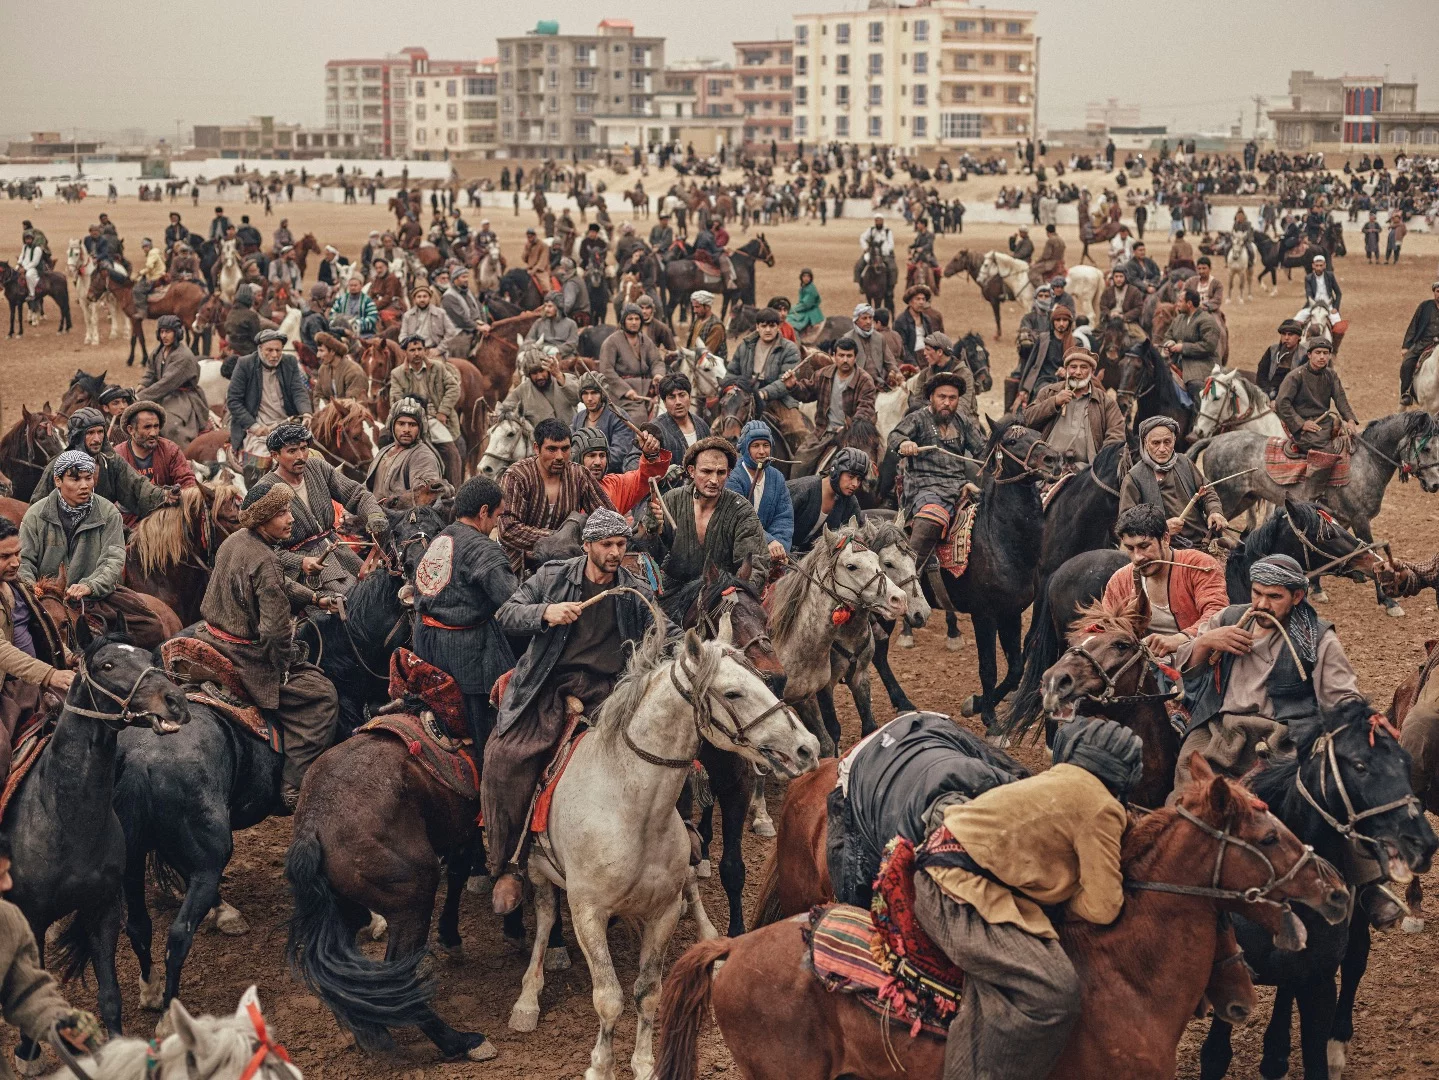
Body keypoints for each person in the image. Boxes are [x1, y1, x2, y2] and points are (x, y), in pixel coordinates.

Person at [913, 717, 1140, 1080]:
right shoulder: (1102, 807)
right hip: (955, 890)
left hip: (946, 871)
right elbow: (1104, 906)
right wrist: (1068, 897)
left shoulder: (1059, 777)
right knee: (1053, 991)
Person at [484, 509, 654, 913]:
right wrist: (545, 613)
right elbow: (506, 612)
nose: (616, 553)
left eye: (622, 544)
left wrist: (695, 652)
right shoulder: (553, 577)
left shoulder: (633, 589)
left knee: (662, 747)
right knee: (503, 758)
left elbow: (661, 629)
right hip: (549, 685)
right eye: (608, 545)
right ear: (588, 546)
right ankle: (508, 864)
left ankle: (674, 840)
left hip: (611, 692)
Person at [198, 479, 340, 810]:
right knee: (322, 696)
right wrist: (287, 663)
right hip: (245, 656)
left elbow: (277, 582)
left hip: (210, 638)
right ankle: (294, 785)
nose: (290, 518)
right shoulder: (264, 558)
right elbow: (274, 634)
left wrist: (315, 598)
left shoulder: (235, 541)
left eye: (289, 510)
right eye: (282, 512)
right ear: (263, 519)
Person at [1176, 552, 1361, 793]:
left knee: (1284, 801)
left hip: (1283, 736)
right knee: (1190, 785)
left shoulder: (1317, 638)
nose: (1262, 604)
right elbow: (1187, 669)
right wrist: (1207, 642)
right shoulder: (1228, 619)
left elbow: (1344, 697)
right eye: (1257, 593)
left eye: (1274, 596)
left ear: (1297, 596)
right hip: (1220, 731)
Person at [412, 475, 518, 753]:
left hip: (424, 643)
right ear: (483, 512)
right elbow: (514, 605)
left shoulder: (441, 537)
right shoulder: (486, 551)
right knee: (495, 728)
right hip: (464, 654)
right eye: (497, 516)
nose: (496, 523)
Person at [0, 831, 107, 1070]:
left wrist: (61, 1024)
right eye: (1, 876)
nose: (8, 884)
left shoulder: (8, 920)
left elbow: (25, 992)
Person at [264, 422, 390, 597]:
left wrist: (374, 514)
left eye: (304, 448)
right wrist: (300, 562)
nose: (301, 456)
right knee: (351, 600)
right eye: (292, 451)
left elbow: (356, 494)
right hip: (304, 570)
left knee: (381, 588)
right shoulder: (266, 489)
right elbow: (264, 549)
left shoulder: (318, 468)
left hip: (338, 550)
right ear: (275, 455)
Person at [886, 372, 986, 571]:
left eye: (952, 398)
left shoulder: (962, 421)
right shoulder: (918, 418)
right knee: (933, 517)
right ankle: (908, 576)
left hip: (959, 486)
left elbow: (983, 450)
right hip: (924, 487)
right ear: (931, 397)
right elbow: (895, 436)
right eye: (942, 397)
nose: (947, 402)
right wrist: (905, 443)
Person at [1102, 503, 1228, 659]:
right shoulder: (1120, 580)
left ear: (1165, 539)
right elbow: (1105, 628)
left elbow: (1217, 612)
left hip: (1197, 663)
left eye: (1144, 546)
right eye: (1130, 548)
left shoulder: (1198, 565)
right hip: (1144, 670)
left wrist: (1181, 638)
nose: (1137, 557)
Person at [0, 517, 70, 776]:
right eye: (5, 556)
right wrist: (50, 673)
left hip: (21, 682)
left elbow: (39, 629)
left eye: (18, 553)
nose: (16, 562)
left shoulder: (17, 587)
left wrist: (69, 657)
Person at [498, 417, 614, 573]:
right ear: (537, 448)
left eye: (565, 449)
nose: (560, 456)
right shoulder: (517, 476)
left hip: (566, 563)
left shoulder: (578, 474)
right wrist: (558, 538)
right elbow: (507, 530)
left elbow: (608, 517)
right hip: (520, 564)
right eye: (552, 449)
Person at [658, 437, 770, 587]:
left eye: (721, 472)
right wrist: (649, 531)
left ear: (729, 473)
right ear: (691, 471)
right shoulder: (671, 501)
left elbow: (755, 565)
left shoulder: (742, 511)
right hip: (673, 593)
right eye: (707, 471)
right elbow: (649, 553)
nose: (714, 480)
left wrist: (737, 593)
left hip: (721, 597)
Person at [30, 409, 172, 521]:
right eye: (90, 433)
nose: (97, 439)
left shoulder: (111, 462)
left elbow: (138, 488)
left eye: (100, 432)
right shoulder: (58, 466)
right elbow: (37, 509)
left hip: (104, 533)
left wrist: (164, 496)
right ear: (78, 436)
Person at [1118, 417, 1227, 547]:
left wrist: (1215, 511)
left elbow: (1207, 491)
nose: (1162, 449)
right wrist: (1162, 528)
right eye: (1156, 443)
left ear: (1174, 441)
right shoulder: (1134, 478)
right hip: (1165, 550)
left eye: (1167, 442)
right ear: (1145, 443)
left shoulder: (1184, 462)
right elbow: (1126, 525)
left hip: (1203, 541)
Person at [783, 337, 877, 476]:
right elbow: (806, 393)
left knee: (877, 466)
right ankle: (796, 495)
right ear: (834, 356)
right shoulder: (823, 374)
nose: (845, 360)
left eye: (849, 356)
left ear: (855, 357)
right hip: (823, 432)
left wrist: (850, 427)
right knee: (800, 465)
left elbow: (865, 409)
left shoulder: (865, 380)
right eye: (841, 355)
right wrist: (793, 386)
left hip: (854, 435)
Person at [1020, 348, 1125, 467]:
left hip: (1086, 472)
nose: (1078, 372)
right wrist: (1054, 402)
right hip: (1047, 468)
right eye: (1073, 367)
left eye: (1084, 367)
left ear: (1092, 371)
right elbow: (1026, 420)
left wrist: (1099, 464)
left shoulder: (1106, 402)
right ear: (1066, 370)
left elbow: (1116, 437)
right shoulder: (1049, 392)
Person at [227, 330, 312, 475]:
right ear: (260, 349)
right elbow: (234, 401)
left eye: (278, 350)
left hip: (289, 423)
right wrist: (254, 426)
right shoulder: (245, 364)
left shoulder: (289, 362)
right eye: (269, 350)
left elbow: (298, 390)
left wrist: (306, 413)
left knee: (314, 456)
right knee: (259, 466)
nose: (274, 355)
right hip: (259, 428)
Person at [726, 307, 807, 445]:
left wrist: (763, 393)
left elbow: (785, 382)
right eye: (763, 326)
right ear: (757, 327)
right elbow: (732, 373)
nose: (768, 330)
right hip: (745, 395)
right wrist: (732, 389)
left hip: (780, 398)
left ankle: (800, 466)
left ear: (778, 326)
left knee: (797, 431)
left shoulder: (789, 349)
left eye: (772, 325)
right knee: (718, 426)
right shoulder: (745, 346)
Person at [111, 402, 197, 528]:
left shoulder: (170, 450)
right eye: (147, 427)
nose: (153, 433)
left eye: (156, 426)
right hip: (130, 525)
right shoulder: (117, 456)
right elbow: (108, 499)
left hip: (168, 520)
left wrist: (177, 496)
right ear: (131, 430)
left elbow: (188, 482)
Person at [725, 420, 795, 564]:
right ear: (745, 448)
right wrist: (768, 541)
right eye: (755, 446)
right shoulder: (732, 477)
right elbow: (739, 519)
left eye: (766, 445)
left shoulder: (776, 477)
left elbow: (784, 518)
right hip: (735, 551)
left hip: (770, 553)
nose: (762, 451)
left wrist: (779, 546)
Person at [136, 315, 210, 446]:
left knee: (170, 426)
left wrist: (139, 398)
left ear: (177, 333)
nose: (164, 335)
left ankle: (182, 458)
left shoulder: (183, 356)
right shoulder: (158, 351)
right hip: (162, 394)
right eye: (162, 331)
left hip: (183, 398)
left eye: (168, 332)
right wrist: (142, 384)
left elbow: (166, 383)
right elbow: (150, 372)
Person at [786, 448, 870, 556]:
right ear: (836, 472)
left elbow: (859, 533)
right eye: (851, 476)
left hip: (811, 562)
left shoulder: (850, 503)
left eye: (859, 479)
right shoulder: (803, 490)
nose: (855, 483)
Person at [573, 425, 670, 515]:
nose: (598, 462)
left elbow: (645, 478)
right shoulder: (564, 489)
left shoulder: (615, 485)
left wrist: (651, 454)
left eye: (602, 455)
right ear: (577, 458)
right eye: (592, 455)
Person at [365, 397, 445, 502]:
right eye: (401, 423)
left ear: (420, 428)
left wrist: (390, 505)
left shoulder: (422, 456)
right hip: (373, 515)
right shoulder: (383, 451)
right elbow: (367, 489)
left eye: (412, 424)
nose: (406, 430)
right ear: (392, 425)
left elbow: (425, 497)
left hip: (402, 517)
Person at [597, 304, 663, 425]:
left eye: (637, 319)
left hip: (647, 389)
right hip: (621, 393)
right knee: (638, 415)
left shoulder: (645, 340)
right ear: (624, 321)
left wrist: (658, 374)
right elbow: (606, 370)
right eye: (630, 319)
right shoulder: (612, 342)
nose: (634, 322)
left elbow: (656, 361)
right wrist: (626, 390)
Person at [570, 371, 635, 474]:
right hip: (582, 475)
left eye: (594, 393)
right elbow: (572, 448)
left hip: (611, 476)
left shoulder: (617, 417)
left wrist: (590, 463)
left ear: (603, 394)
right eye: (585, 393)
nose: (589, 398)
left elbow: (619, 453)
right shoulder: (578, 418)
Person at [1163, 288, 1224, 394]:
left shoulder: (1207, 320)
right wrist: (1169, 343)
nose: (1177, 304)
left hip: (1202, 364)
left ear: (1189, 303)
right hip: (1177, 361)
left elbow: (1208, 346)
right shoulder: (1179, 318)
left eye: (1180, 301)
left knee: (1194, 385)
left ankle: (1198, 410)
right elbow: (1168, 335)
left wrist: (1183, 347)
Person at [1013, 305, 1076, 408]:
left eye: (1065, 320)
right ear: (1053, 322)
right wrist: (1024, 388)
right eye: (1058, 320)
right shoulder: (1044, 339)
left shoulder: (1075, 343)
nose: (1061, 323)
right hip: (1043, 380)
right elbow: (1032, 363)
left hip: (1066, 382)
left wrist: (1067, 372)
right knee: (1045, 394)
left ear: (1069, 323)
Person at [645, 373, 711, 467]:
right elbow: (632, 461)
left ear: (690, 397)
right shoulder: (654, 429)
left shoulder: (702, 425)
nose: (678, 402)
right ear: (664, 402)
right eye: (672, 397)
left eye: (682, 395)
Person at [504, 347, 580, 428]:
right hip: (542, 439)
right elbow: (505, 409)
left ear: (548, 369)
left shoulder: (564, 379)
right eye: (534, 373)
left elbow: (577, 397)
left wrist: (559, 376)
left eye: (542, 371)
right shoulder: (522, 391)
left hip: (572, 435)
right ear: (528, 375)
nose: (539, 377)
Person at [908, 332, 977, 417]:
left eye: (928, 349)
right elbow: (917, 402)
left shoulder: (964, 373)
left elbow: (963, 407)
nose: (924, 353)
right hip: (928, 419)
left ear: (940, 352)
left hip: (961, 421)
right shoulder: (924, 374)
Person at [1400, 280, 1439, 406]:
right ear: (1434, 292)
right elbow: (1414, 325)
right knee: (1407, 363)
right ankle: (1406, 392)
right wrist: (1406, 346)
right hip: (1424, 343)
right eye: (1438, 291)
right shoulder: (1425, 306)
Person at [850, 303, 901, 387]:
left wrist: (897, 372)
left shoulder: (879, 338)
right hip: (857, 385)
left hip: (879, 384)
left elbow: (889, 361)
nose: (868, 321)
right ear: (856, 320)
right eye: (864, 318)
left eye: (870, 318)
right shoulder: (849, 339)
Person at [1257, 318, 1308, 400]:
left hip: (1292, 396)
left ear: (1299, 337)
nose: (1286, 338)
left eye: (1290, 334)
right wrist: (1267, 392)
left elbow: (1302, 383)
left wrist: (1280, 398)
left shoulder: (1305, 354)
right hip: (1268, 392)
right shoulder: (1272, 350)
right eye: (1283, 334)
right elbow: (1261, 375)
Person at [441, 266, 489, 353]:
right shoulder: (449, 297)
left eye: (467, 277)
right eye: (463, 277)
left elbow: (480, 309)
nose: (466, 279)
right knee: (461, 347)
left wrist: (485, 324)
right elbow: (461, 320)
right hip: (460, 331)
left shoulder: (469, 292)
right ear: (455, 280)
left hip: (477, 326)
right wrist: (478, 327)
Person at [398, 283, 456, 352]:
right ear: (414, 299)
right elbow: (403, 335)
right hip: (413, 350)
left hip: (433, 350)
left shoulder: (440, 313)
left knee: (437, 363)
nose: (422, 299)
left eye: (425, 296)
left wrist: (439, 349)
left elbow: (451, 332)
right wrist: (408, 347)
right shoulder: (408, 315)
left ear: (429, 298)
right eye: (419, 297)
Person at [312, 332, 367, 401]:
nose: (318, 355)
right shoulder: (323, 370)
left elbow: (353, 403)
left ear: (332, 351)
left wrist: (332, 409)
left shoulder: (354, 372)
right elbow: (318, 395)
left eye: (321, 351)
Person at [856, 212, 896, 301]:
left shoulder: (887, 231)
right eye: (876, 220)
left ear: (882, 221)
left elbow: (891, 244)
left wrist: (884, 251)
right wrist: (866, 247)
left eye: (879, 220)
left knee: (892, 268)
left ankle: (889, 287)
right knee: (859, 265)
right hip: (872, 253)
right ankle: (862, 285)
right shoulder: (871, 230)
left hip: (884, 254)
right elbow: (862, 238)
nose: (878, 222)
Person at [894, 285, 937, 367]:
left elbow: (931, 340)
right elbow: (902, 347)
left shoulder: (926, 319)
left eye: (923, 299)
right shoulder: (901, 321)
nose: (921, 302)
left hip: (926, 356)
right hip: (910, 359)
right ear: (910, 302)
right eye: (918, 299)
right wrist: (913, 364)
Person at [1296, 253, 1342, 330]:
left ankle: (1336, 342)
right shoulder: (1309, 278)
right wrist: (1313, 304)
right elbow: (1309, 294)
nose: (1319, 268)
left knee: (1339, 326)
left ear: (1324, 265)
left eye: (1321, 265)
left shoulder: (1330, 276)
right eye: (1317, 265)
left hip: (1328, 305)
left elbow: (1338, 293)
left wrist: (1335, 307)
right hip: (1313, 304)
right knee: (1296, 320)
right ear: (1313, 265)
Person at [1099, 266, 1144, 340]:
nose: (1118, 279)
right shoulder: (1107, 291)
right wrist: (1110, 313)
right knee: (1095, 340)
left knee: (1143, 340)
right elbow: (1103, 305)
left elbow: (1139, 308)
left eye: (1121, 276)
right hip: (1109, 321)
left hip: (1128, 322)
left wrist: (1124, 316)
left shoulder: (1134, 291)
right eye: (1116, 277)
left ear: (1125, 277)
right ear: (1113, 278)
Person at [223, 285, 262, 360]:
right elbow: (257, 338)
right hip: (248, 352)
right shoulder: (252, 315)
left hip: (231, 348)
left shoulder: (231, 313)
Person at [368, 257, 406, 329]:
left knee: (385, 315)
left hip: (393, 304)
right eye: (376, 268)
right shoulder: (376, 278)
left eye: (380, 268)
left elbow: (388, 297)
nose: (378, 270)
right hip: (379, 303)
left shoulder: (392, 278)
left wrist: (374, 306)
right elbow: (371, 293)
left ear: (386, 267)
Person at [684, 291, 727, 357]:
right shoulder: (697, 321)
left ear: (707, 307)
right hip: (694, 360)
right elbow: (690, 346)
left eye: (697, 307)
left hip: (712, 365)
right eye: (693, 307)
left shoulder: (717, 327)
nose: (694, 311)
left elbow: (707, 354)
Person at [1028, 222, 1066, 288]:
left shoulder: (1050, 240)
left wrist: (1036, 262)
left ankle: (1042, 288)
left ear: (1047, 232)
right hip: (1060, 262)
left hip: (1051, 264)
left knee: (1032, 272)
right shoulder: (1061, 239)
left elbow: (1046, 255)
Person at [786, 269, 824, 335]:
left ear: (811, 278)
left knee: (790, 320)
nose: (806, 278)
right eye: (804, 276)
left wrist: (791, 309)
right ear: (801, 277)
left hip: (810, 312)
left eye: (808, 276)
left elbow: (805, 305)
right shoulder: (804, 287)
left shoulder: (810, 289)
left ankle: (796, 339)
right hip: (805, 309)